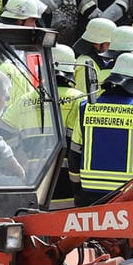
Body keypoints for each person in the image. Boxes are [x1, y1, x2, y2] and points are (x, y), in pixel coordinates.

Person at [70, 53, 133, 205]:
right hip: (132, 197)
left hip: (90, 197)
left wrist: (77, 192)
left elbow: (75, 156)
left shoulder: (86, 108)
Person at [49, 45, 85, 207]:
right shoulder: (81, 100)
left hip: (34, 178)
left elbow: (7, 132)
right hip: (68, 176)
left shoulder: (27, 98)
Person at [76, 16, 117, 96]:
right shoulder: (85, 64)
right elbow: (83, 95)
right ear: (97, 43)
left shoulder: (102, 60)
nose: (111, 46)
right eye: (108, 43)